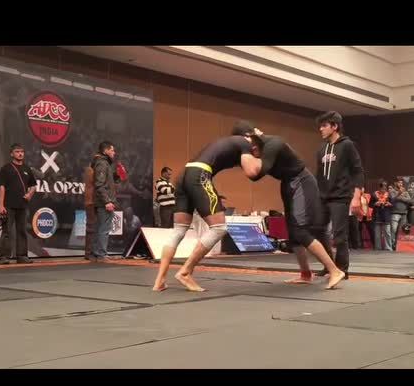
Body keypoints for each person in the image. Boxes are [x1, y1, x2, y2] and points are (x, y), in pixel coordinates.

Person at [152, 126, 263, 292]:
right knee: (219, 228)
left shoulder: (230, 145)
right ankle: (185, 272)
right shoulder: (244, 143)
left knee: (179, 230)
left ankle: (159, 281)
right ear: (250, 140)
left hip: (183, 176)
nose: (256, 153)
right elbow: (252, 172)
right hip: (199, 175)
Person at [241, 125, 345, 288]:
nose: (250, 149)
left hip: (301, 181)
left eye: (250, 145)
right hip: (288, 184)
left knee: (300, 230)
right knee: (292, 233)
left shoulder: (273, 144)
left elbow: (256, 174)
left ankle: (335, 271)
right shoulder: (256, 149)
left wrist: (245, 153)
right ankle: (305, 274)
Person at [315, 112, 364, 278]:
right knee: (317, 230)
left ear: (334, 126)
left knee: (339, 235)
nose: (320, 129)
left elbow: (358, 171)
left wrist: (356, 197)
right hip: (323, 197)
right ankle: (329, 265)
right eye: (320, 126)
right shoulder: (321, 149)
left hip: (341, 196)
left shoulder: (347, 145)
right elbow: (319, 175)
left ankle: (342, 269)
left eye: (324, 125)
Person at [0, 143, 37, 264]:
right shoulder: (6, 168)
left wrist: (30, 194)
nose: (20, 154)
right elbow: (2, 187)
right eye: (17, 152)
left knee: (22, 231)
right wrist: (1, 205)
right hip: (8, 205)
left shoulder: (27, 169)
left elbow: (33, 185)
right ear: (11, 154)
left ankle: (22, 256)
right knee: (7, 232)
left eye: (22, 152)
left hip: (22, 205)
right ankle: (3, 257)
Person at [87, 141, 118, 262]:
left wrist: (116, 176)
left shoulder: (103, 163)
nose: (114, 152)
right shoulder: (102, 163)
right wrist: (107, 201)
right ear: (106, 151)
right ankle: (101, 254)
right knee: (104, 229)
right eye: (112, 150)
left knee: (100, 228)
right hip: (104, 202)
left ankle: (96, 254)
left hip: (102, 201)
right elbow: (99, 184)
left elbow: (105, 182)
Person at [388, 179, 414, 248]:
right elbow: (392, 199)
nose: (401, 184)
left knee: (401, 231)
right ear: (395, 183)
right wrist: (399, 194)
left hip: (404, 213)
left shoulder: (405, 192)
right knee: (393, 229)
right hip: (395, 213)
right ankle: (392, 244)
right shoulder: (392, 191)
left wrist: (400, 198)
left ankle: (397, 245)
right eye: (399, 183)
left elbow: (410, 201)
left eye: (402, 183)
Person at [371, 181, 393, 250]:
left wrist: (390, 204)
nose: (384, 190)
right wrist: (375, 204)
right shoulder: (374, 194)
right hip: (377, 215)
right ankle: (378, 248)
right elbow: (370, 204)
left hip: (386, 215)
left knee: (387, 233)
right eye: (383, 188)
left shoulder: (389, 194)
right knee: (377, 234)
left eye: (385, 188)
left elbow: (393, 204)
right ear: (380, 188)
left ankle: (388, 248)